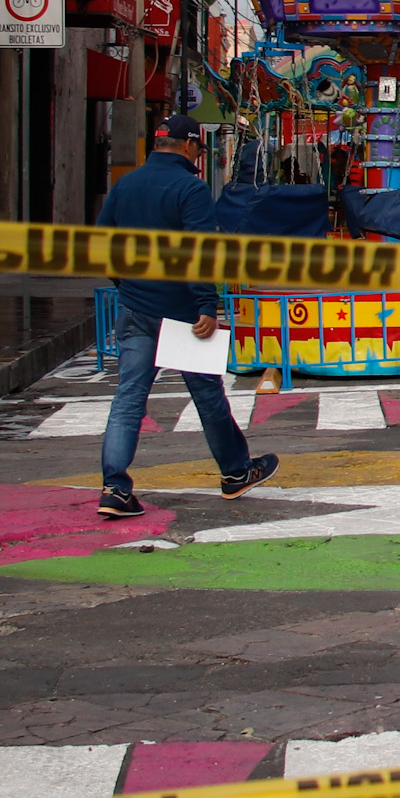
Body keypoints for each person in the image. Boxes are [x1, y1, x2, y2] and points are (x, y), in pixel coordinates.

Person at [93, 113, 277, 518]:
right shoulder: (189, 188)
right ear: (191, 146)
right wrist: (205, 304)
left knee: (128, 400)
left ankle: (115, 488)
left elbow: (102, 241)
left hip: (135, 307)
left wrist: (124, 283)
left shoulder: (125, 185)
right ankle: (234, 472)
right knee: (208, 396)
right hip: (181, 315)